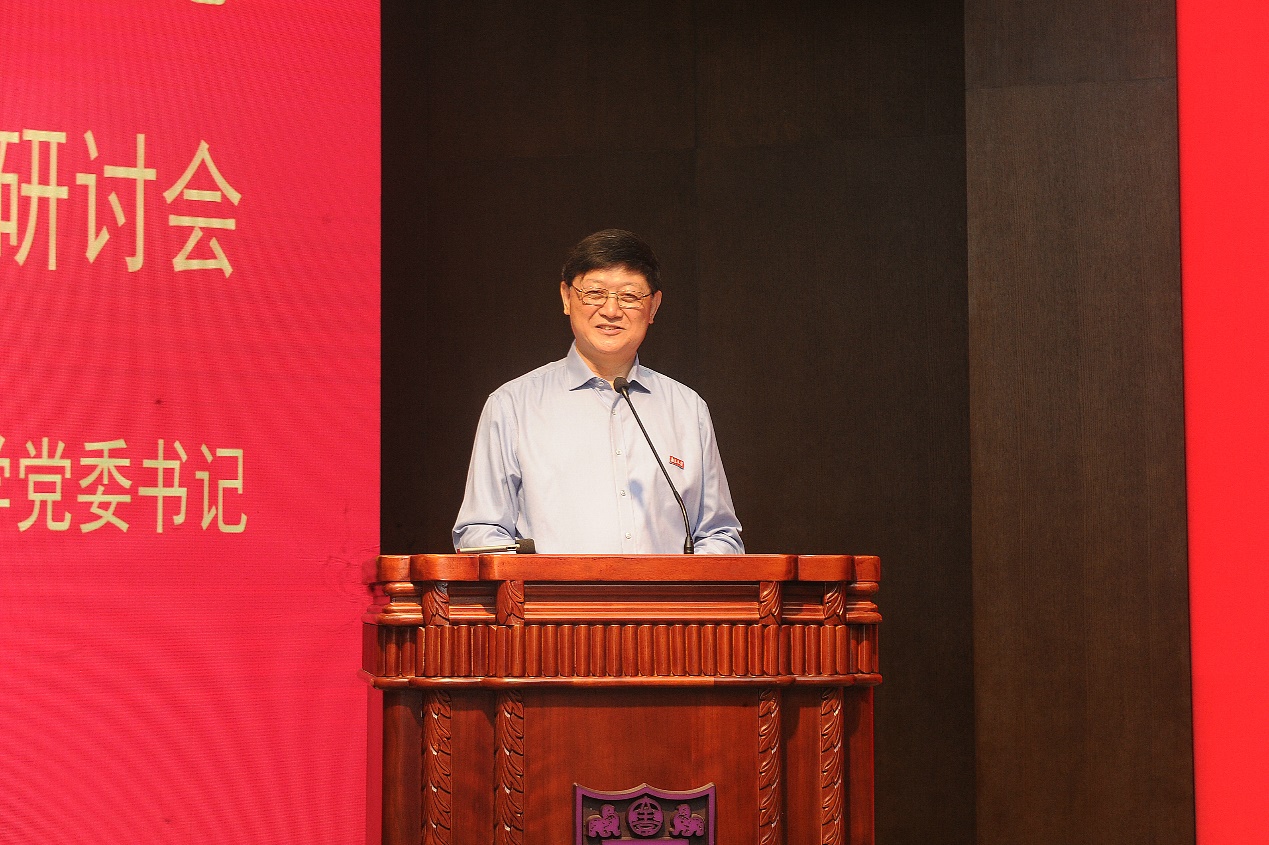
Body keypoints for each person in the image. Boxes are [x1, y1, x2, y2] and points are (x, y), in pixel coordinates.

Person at [452, 229, 744, 554]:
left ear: (653, 307)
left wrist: (683, 582)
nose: (611, 310)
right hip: (547, 591)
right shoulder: (512, 406)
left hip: (665, 592)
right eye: (594, 293)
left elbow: (720, 535)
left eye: (630, 296)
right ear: (567, 298)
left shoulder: (688, 410)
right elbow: (480, 534)